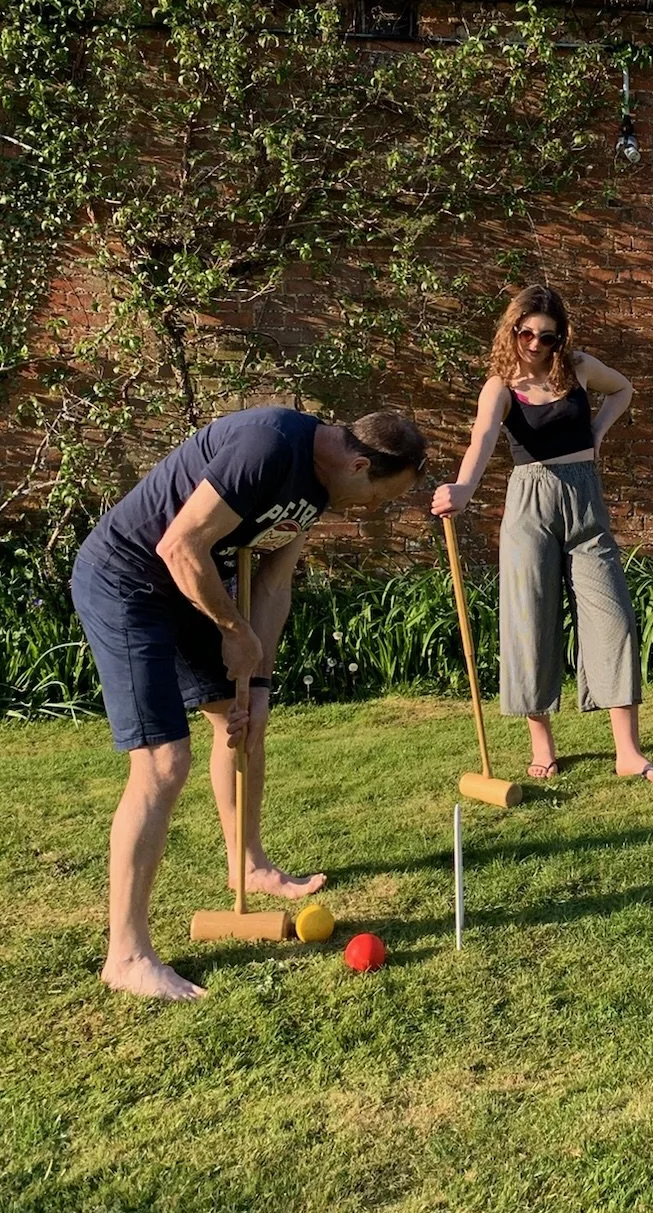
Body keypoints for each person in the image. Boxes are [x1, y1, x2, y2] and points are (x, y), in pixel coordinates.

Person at [72, 406, 428, 1001]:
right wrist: (235, 634)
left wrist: (256, 683)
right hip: (129, 581)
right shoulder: (268, 448)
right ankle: (126, 955)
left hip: (194, 587)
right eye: (377, 497)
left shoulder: (319, 488)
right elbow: (179, 543)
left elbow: (271, 585)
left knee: (243, 727)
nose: (371, 510)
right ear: (359, 463)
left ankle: (250, 866)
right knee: (163, 763)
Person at [432, 284, 653, 785]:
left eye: (548, 335)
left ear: (561, 335)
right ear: (513, 331)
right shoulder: (501, 384)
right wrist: (462, 488)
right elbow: (481, 440)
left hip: (586, 501)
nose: (536, 343)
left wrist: (599, 432)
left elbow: (624, 388)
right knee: (530, 619)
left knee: (614, 619)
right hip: (529, 504)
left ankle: (628, 753)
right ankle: (542, 745)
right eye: (526, 333)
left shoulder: (580, 367)